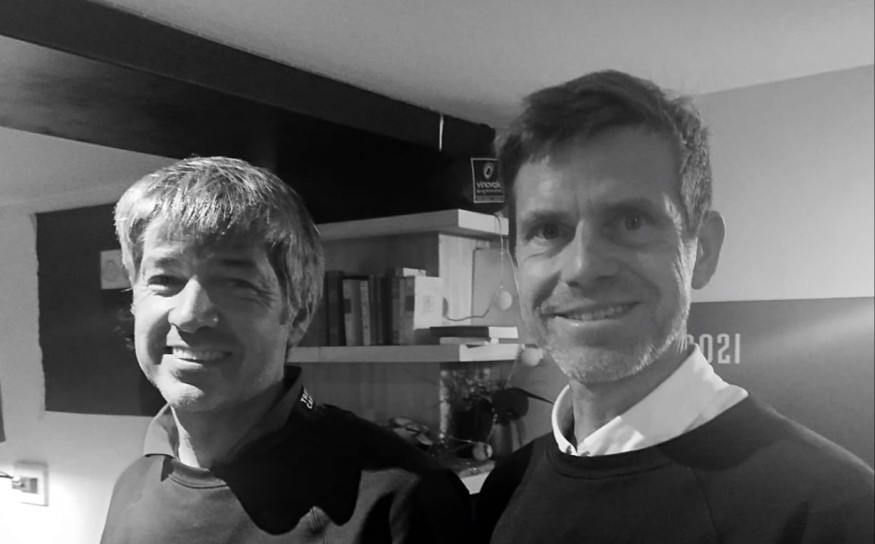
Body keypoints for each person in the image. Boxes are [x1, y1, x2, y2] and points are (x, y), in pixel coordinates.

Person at [475, 71, 874, 543]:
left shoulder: (832, 511)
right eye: (548, 231)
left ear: (702, 250)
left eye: (631, 221)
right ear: (516, 261)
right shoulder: (506, 488)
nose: (583, 267)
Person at [100, 156, 475, 543]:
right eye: (164, 279)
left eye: (236, 283)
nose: (191, 315)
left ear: (298, 315)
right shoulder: (132, 486)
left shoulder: (401, 499)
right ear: (134, 301)